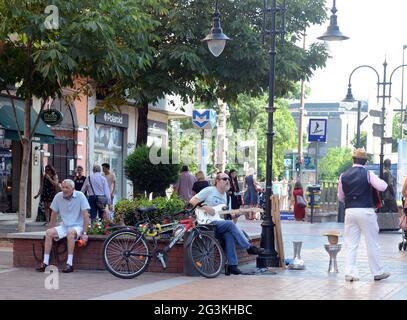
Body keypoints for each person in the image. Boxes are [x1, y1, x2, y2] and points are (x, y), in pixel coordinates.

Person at [189, 172, 263, 275]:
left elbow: (227, 216)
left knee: (229, 234)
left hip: (219, 223)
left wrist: (239, 214)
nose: (227, 181)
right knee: (229, 225)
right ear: (217, 181)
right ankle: (248, 247)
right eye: (224, 179)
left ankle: (232, 265)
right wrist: (206, 208)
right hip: (207, 223)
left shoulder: (226, 197)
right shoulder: (209, 190)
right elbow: (192, 200)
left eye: (228, 179)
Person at [337, 148, 390, 282]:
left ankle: (350, 272)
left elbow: (340, 196)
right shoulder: (368, 173)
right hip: (366, 210)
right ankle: (377, 272)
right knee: (372, 242)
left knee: (351, 244)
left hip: (349, 211)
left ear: (353, 159)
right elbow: (382, 187)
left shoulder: (343, 175)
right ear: (365, 161)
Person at [36, 179, 90, 273]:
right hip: (65, 226)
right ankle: (45, 263)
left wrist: (84, 233)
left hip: (78, 226)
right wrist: (51, 227)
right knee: (49, 233)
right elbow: (54, 213)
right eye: (63, 187)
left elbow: (86, 215)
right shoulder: (58, 196)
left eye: (67, 188)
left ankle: (69, 264)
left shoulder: (80, 196)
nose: (64, 190)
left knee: (70, 233)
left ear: (73, 189)